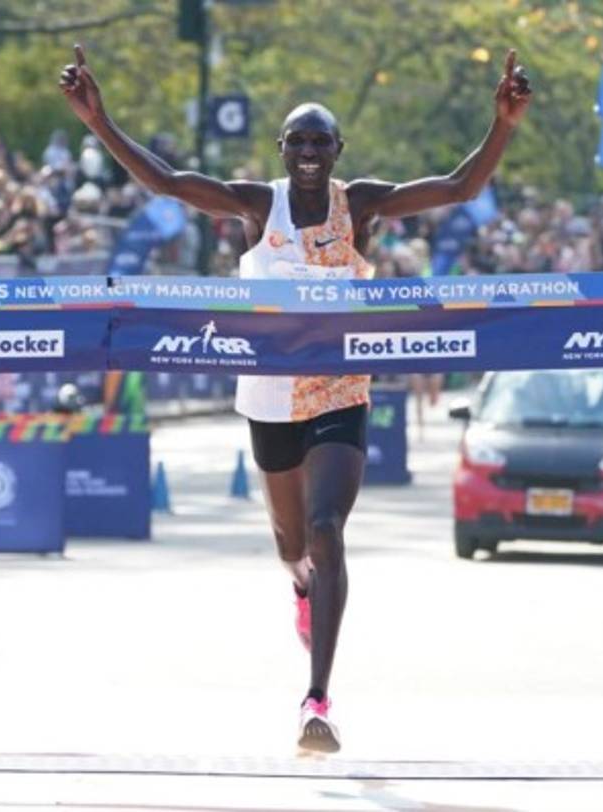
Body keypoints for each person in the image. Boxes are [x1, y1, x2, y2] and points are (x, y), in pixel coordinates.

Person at [59, 43, 532, 753]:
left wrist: (504, 124)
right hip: (271, 392)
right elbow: (167, 182)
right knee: (292, 546)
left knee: (327, 528)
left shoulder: (361, 205)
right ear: (282, 150)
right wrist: (99, 121)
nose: (310, 151)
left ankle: (317, 699)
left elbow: (460, 187)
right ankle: (302, 587)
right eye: (298, 141)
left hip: (340, 386)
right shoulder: (258, 205)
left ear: (338, 149)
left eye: (321, 141)